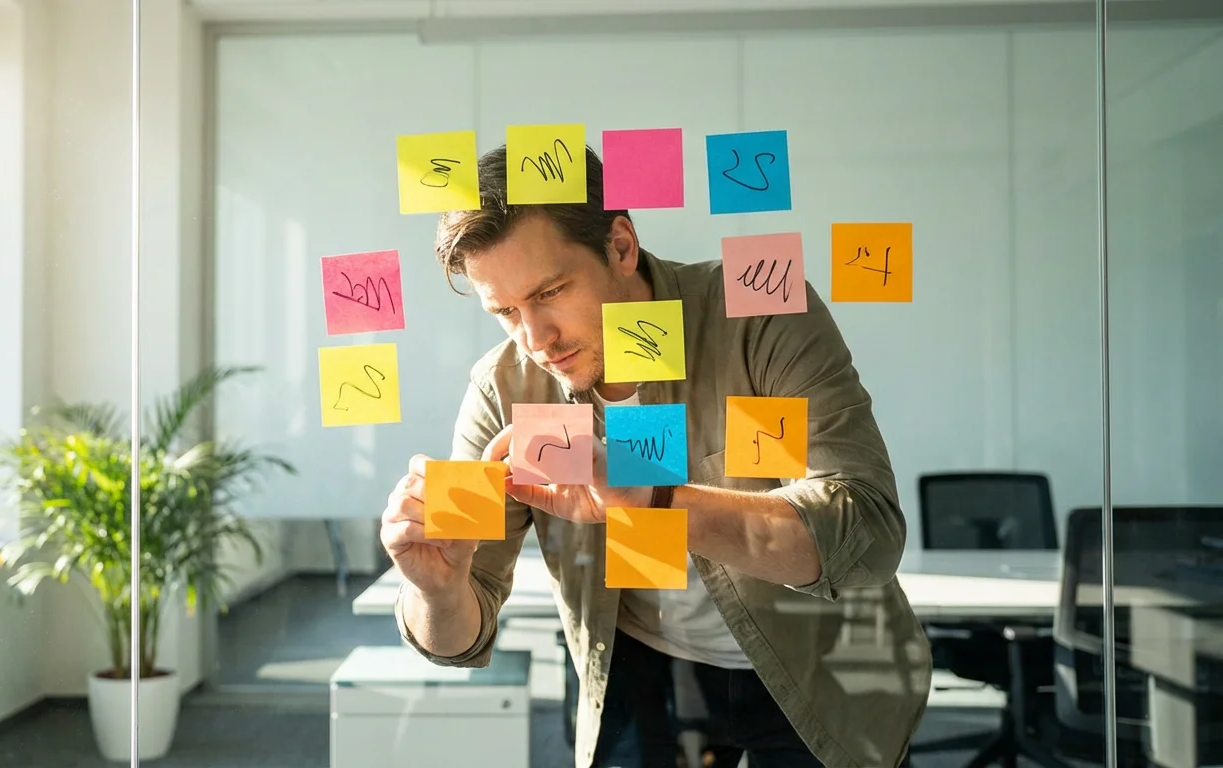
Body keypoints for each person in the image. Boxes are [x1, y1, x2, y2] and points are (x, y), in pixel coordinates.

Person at [379, 145, 932, 768]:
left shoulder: (760, 310)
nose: (536, 340)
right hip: (641, 674)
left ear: (620, 245)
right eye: (506, 312)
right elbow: (458, 635)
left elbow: (868, 532)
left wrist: (649, 495)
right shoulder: (504, 388)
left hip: (819, 665)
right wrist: (437, 592)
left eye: (551, 291)